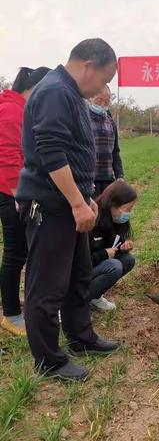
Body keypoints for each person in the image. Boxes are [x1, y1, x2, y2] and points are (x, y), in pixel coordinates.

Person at [16, 38, 119, 381]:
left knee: (78, 276)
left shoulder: (71, 94)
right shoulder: (56, 92)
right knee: (46, 288)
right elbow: (51, 151)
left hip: (71, 204)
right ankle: (49, 361)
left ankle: (81, 337)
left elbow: (73, 155)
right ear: (89, 66)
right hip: (50, 207)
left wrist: (86, 196)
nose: (103, 88)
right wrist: (76, 202)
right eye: (105, 78)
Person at [0, 66, 50, 336]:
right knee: (15, 254)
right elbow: (8, 158)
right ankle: (10, 314)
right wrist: (19, 195)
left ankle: (17, 306)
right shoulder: (11, 111)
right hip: (11, 196)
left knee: (24, 252)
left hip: (21, 193)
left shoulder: (21, 109)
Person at [89, 180, 136, 311]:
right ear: (113, 204)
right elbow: (79, 259)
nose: (129, 213)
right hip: (78, 271)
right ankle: (75, 300)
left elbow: (110, 243)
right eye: (127, 209)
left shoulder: (112, 219)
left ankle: (94, 296)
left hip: (95, 264)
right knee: (114, 266)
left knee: (128, 260)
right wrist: (104, 254)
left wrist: (121, 247)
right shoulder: (92, 219)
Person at [89, 85, 124, 198]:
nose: (103, 105)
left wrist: (120, 176)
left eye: (106, 101)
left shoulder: (111, 123)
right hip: (90, 180)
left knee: (107, 214)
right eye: (99, 100)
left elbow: (115, 152)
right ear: (91, 97)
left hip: (108, 179)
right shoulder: (82, 120)